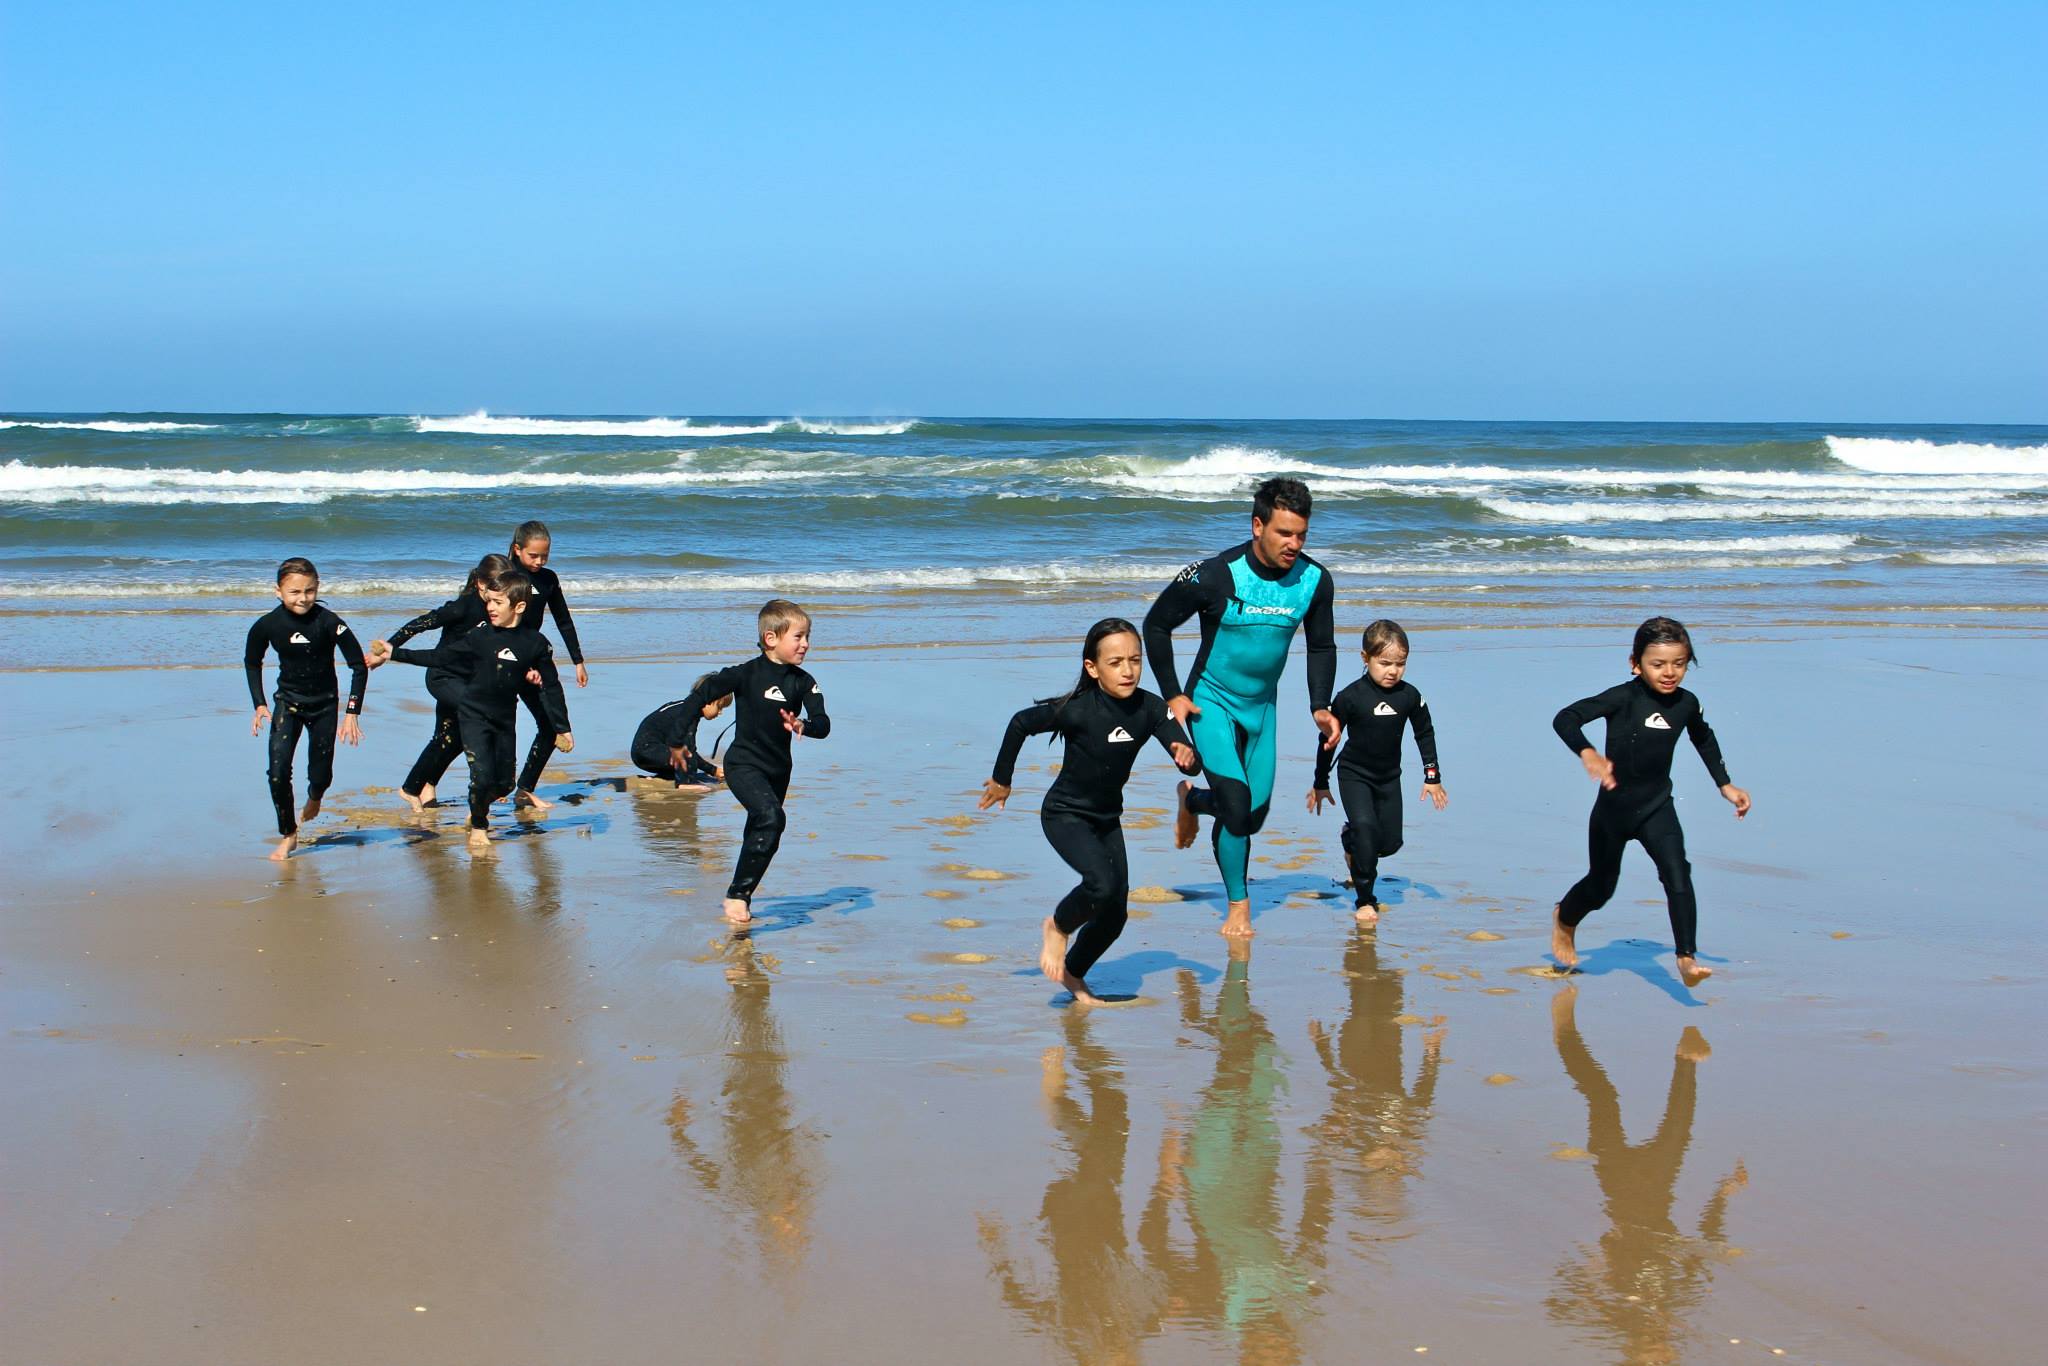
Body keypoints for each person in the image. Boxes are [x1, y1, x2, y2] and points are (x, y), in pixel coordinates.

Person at [1142, 476, 1338, 937]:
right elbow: (1156, 625)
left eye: (1301, 535)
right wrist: (1173, 693)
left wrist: (1320, 706)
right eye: (1284, 533)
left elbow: (1321, 646)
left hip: (1262, 709)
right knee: (1236, 804)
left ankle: (1193, 800)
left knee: (1251, 816)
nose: (1294, 545)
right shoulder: (1215, 575)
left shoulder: (1314, 581)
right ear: (1257, 526)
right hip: (1210, 701)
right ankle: (1238, 906)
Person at [980, 618, 1200, 1004]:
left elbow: (1189, 762)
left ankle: (1074, 974)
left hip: (1106, 819)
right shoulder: (1077, 709)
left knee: (1115, 915)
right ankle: (1057, 926)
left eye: (1134, 660)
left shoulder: (1151, 708)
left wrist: (1187, 756)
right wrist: (1002, 779)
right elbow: (1020, 723)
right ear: (1092, 668)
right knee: (1101, 885)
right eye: (1115, 662)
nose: (1128, 670)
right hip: (1065, 814)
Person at [1551, 617, 1751, 988]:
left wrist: (1725, 785)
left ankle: (1686, 957)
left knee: (1678, 874)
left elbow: (1703, 739)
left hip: (1657, 807)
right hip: (1613, 812)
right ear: (1635, 664)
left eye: (1679, 663)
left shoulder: (1687, 704)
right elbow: (1566, 718)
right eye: (1658, 664)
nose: (1669, 672)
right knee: (1601, 887)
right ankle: (1565, 919)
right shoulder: (1622, 698)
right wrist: (1587, 752)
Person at [375, 570, 573, 854]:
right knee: (481, 775)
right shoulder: (479, 636)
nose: (490, 607)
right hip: (472, 715)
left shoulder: (535, 643)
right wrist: (395, 653)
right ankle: (479, 825)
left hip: (505, 719)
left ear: (519, 606)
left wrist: (561, 726)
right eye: (489, 601)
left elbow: (551, 686)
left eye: (497, 602)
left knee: (504, 784)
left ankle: (477, 805)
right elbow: (440, 657)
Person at [671, 600, 831, 922]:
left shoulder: (804, 682)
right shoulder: (744, 674)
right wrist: (676, 741)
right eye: (798, 637)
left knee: (765, 832)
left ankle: (740, 896)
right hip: (743, 764)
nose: (805, 644)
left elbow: (823, 725)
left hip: (778, 770)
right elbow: (699, 696)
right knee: (771, 817)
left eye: (807, 637)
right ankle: (738, 896)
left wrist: (803, 725)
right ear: (771, 638)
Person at [1308, 619, 1446, 925]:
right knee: (1367, 833)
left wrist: (1432, 776)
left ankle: (1350, 841)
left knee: (1389, 845)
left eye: (1400, 664)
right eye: (1385, 663)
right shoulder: (1350, 697)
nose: (1393, 671)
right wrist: (1320, 781)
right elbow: (1328, 739)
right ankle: (1365, 900)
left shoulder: (1410, 696)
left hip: (1389, 778)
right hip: (1354, 775)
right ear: (1365, 657)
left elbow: (1424, 733)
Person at [244, 557, 369, 860]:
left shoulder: (330, 622)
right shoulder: (267, 625)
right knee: (277, 772)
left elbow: (358, 665)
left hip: (324, 705)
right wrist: (259, 704)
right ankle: (289, 834)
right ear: (278, 591)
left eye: (309, 591)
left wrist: (352, 713)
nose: (303, 598)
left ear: (317, 588)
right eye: (295, 592)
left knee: (321, 774)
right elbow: (252, 662)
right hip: (287, 703)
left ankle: (316, 795)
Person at [380, 553, 509, 812]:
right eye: (495, 587)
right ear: (480, 583)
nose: (500, 595)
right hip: (443, 677)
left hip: (468, 682)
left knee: (450, 737)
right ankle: (484, 783)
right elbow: (422, 623)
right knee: (478, 715)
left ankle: (421, 787)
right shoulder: (463, 607)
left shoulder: (498, 609)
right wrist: (388, 648)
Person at [507, 520, 588, 811]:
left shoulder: (548, 579)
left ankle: (525, 789)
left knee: (550, 726)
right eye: (534, 555)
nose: (540, 561)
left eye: (545, 556)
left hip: (534, 655)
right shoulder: (503, 574)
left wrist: (578, 661)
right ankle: (429, 784)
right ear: (517, 549)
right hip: (502, 656)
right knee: (495, 725)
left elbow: (563, 620)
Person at [631, 680, 732, 788]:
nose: (720, 712)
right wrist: (713, 770)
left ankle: (663, 777)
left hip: (641, 753)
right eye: (719, 707)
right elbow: (690, 750)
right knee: (687, 756)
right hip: (648, 751)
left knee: (683, 756)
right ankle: (685, 783)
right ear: (707, 700)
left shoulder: (683, 706)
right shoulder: (689, 714)